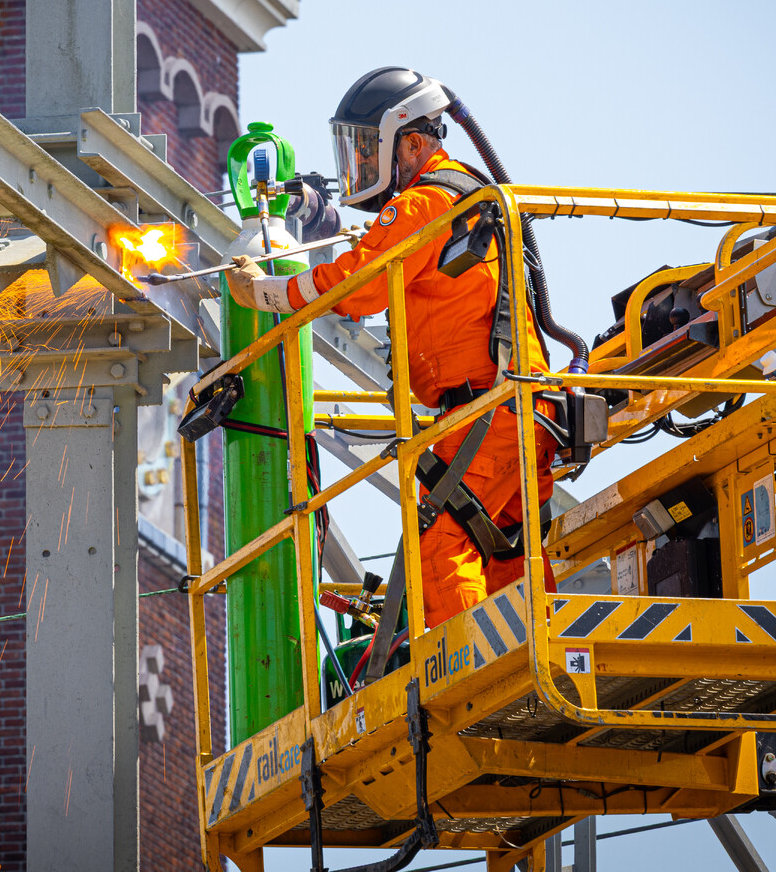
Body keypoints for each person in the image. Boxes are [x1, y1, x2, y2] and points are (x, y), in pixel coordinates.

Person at [225, 67, 559, 629]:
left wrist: (263, 292)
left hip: (486, 410)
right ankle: (529, 660)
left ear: (409, 142)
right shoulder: (460, 198)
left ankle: (472, 673)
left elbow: (362, 285)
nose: (359, 164)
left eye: (366, 148)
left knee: (439, 540)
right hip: (518, 409)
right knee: (506, 550)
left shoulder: (427, 201)